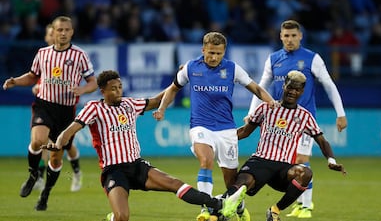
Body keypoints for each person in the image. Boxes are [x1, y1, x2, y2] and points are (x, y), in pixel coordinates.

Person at [41, 70, 247, 221]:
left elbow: (158, 101)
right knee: (122, 217)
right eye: (113, 89)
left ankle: (219, 204)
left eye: (119, 87)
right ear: (102, 91)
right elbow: (71, 130)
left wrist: (181, 78)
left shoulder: (130, 104)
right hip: (114, 171)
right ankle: (112, 218)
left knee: (175, 184)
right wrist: (58, 142)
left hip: (137, 166)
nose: (118, 91)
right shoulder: (94, 108)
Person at [153, 31, 276, 221]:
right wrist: (162, 108)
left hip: (226, 129)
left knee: (231, 182)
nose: (214, 57)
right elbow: (172, 89)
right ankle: (206, 208)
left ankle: (239, 207)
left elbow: (257, 88)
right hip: (201, 126)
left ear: (224, 52)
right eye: (210, 52)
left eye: (218, 53)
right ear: (203, 49)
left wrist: (271, 102)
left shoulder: (233, 69)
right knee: (206, 161)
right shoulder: (190, 68)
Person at [247, 19, 347, 219]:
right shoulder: (274, 58)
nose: (290, 39)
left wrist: (340, 113)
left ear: (300, 36)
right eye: (286, 36)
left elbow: (329, 84)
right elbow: (260, 87)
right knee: (287, 162)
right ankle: (299, 203)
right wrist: (252, 112)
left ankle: (306, 206)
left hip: (302, 121)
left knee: (301, 159)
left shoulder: (312, 58)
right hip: (277, 120)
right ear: (280, 37)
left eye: (294, 35)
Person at [2, 16, 97, 211]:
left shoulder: (80, 55)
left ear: (72, 32)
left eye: (67, 30)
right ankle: (32, 174)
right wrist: (16, 81)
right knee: (37, 140)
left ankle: (45, 193)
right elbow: (32, 76)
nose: (63, 33)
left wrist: (82, 90)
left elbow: (93, 82)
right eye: (59, 30)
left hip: (66, 111)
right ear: (52, 32)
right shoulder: (43, 53)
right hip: (44, 105)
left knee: (55, 158)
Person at [228, 70, 346, 221]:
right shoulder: (266, 108)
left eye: (297, 89)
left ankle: (275, 210)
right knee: (241, 187)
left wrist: (331, 161)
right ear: (284, 86)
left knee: (306, 173)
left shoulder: (305, 116)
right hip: (261, 161)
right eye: (290, 87)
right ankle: (222, 206)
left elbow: (322, 141)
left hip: (283, 170)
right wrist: (223, 139)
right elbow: (245, 131)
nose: (292, 92)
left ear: (302, 91)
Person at [32, 23, 83, 193]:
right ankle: (39, 175)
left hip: (64, 110)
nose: (52, 36)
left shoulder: (71, 57)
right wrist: (36, 88)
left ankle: (76, 172)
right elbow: (37, 80)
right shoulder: (44, 58)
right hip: (46, 108)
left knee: (66, 145)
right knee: (42, 141)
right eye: (51, 33)